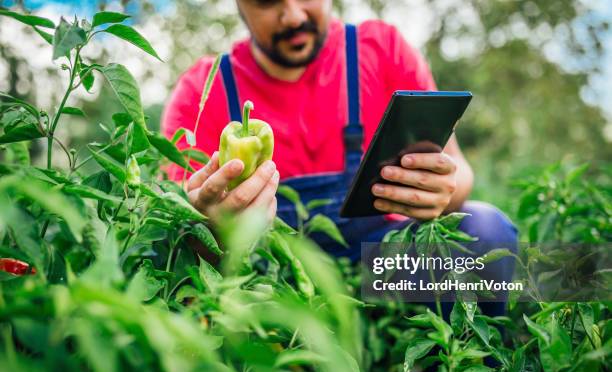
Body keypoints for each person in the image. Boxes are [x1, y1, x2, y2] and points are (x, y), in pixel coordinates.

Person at [162, 0, 517, 315]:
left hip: (380, 270)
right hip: (270, 285)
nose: (293, 16)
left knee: (486, 229)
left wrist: (440, 190)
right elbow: (174, 240)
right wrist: (207, 231)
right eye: (267, 2)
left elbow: (460, 174)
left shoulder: (379, 51)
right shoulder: (203, 90)